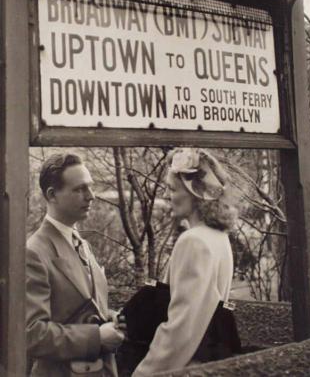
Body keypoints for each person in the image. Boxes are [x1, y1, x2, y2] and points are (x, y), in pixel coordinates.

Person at [132, 147, 239, 377]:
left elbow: (182, 327)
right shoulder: (219, 237)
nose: (168, 196)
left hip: (185, 367)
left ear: (195, 192)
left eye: (172, 189)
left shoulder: (194, 241)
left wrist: (144, 372)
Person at [26, 153, 125, 377]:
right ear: (52, 195)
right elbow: (32, 333)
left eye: (90, 187)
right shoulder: (34, 252)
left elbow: (80, 307)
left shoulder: (80, 242)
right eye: (79, 189)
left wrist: (112, 318)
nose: (91, 196)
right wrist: (97, 337)